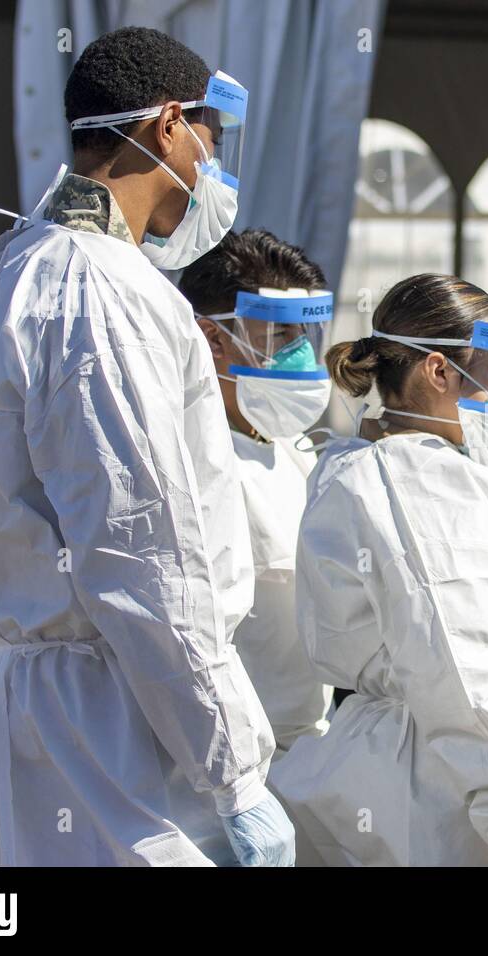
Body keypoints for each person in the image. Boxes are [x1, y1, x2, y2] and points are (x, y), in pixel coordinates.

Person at [0, 27, 293, 866]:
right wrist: (237, 779)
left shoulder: (2, 272)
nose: (213, 175)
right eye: (209, 145)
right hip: (118, 722)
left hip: (48, 709)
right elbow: (142, 551)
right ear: (169, 127)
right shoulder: (101, 288)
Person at [268, 274, 488, 865]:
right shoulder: (425, 480)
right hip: (450, 795)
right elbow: (464, 677)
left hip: (420, 772)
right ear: (439, 372)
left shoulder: (370, 464)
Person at [178, 229, 336, 752]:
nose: (298, 355)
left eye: (302, 337)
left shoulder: (294, 449)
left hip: (305, 747)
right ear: (212, 338)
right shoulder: (191, 463)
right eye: (277, 337)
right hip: (228, 756)